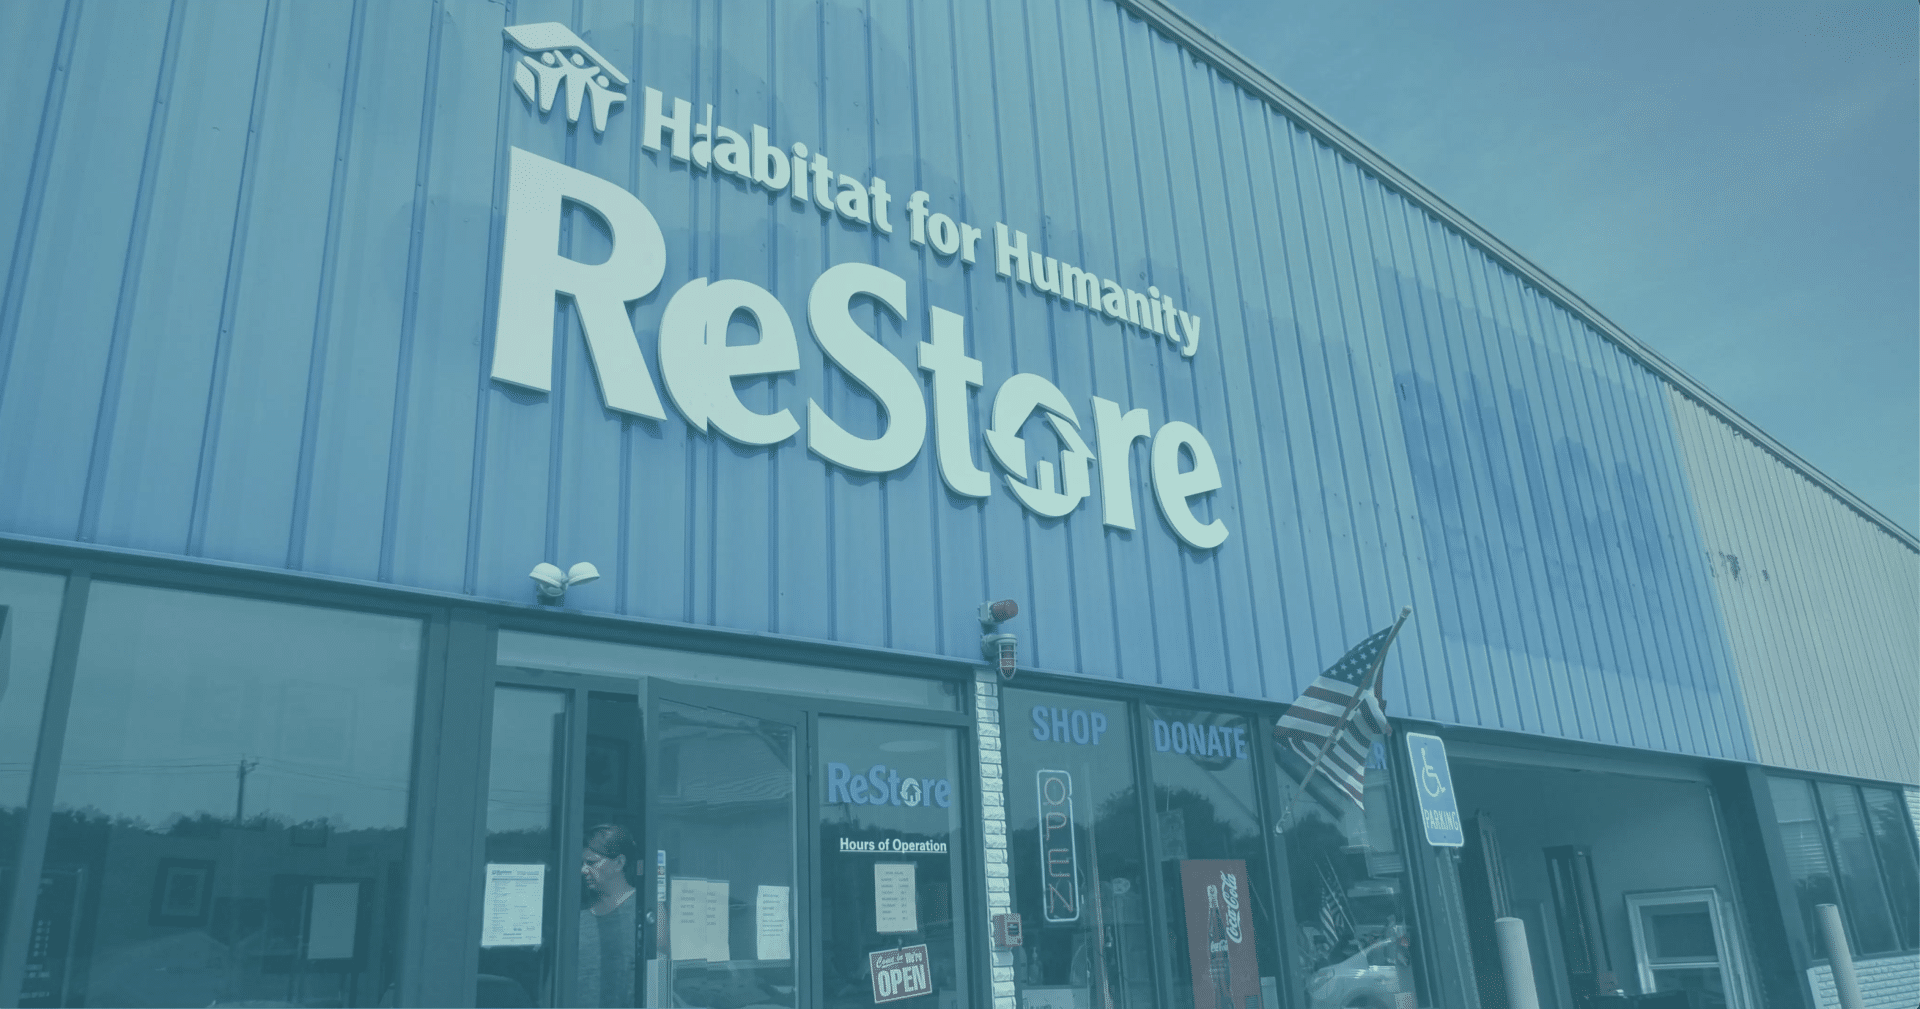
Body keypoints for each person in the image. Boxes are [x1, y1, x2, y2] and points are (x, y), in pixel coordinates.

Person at [578, 824, 639, 1007]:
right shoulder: (577, 913)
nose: (583, 870)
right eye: (582, 863)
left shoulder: (645, 911)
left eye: (591, 863)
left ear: (619, 863)